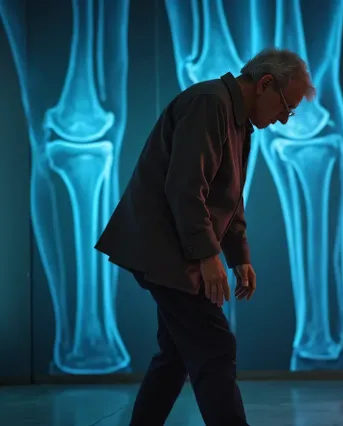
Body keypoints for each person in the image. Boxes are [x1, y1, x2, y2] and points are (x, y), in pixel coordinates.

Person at [95, 47, 316, 426]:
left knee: (176, 354)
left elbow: (228, 194)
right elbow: (186, 187)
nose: (283, 120)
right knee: (214, 345)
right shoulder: (208, 104)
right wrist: (209, 256)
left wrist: (239, 255)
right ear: (265, 84)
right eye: (285, 107)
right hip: (164, 250)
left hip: (174, 248)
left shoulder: (237, 119)